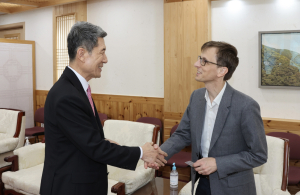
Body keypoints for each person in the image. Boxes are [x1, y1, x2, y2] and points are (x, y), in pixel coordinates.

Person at [40, 22, 167, 195]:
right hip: (71, 188)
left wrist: (105, 142)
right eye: (102, 52)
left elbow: (81, 138)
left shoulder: (75, 88)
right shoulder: (66, 95)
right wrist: (141, 152)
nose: (105, 59)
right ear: (82, 54)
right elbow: (94, 147)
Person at [146, 41, 268, 195]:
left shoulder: (246, 106)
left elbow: (258, 154)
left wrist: (218, 163)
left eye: (204, 61)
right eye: (199, 58)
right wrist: (159, 153)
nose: (196, 64)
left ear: (221, 71)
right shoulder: (196, 98)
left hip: (233, 188)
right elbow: (183, 134)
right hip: (202, 183)